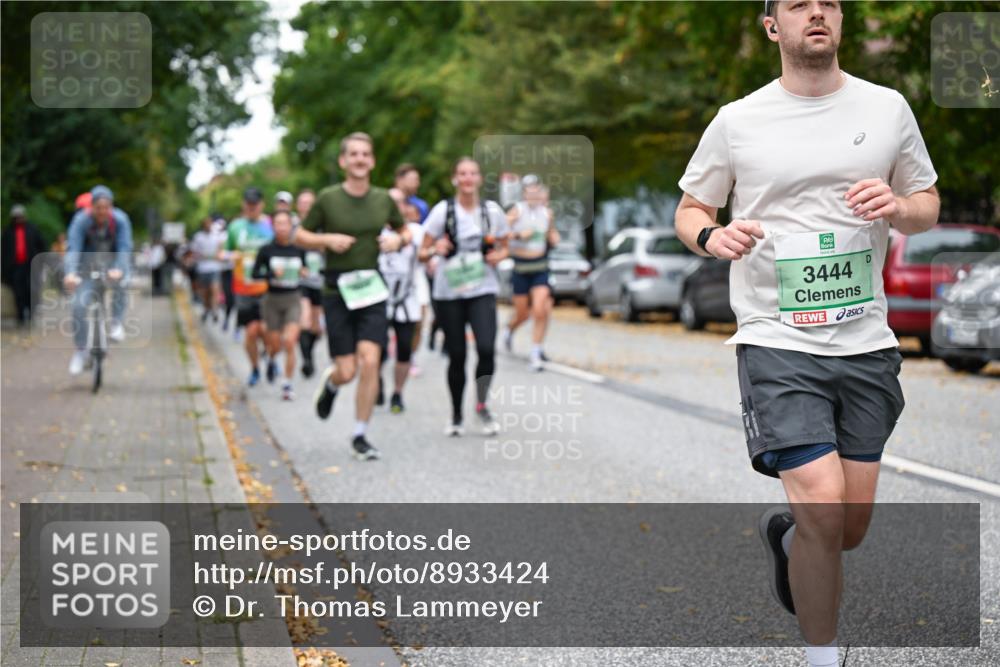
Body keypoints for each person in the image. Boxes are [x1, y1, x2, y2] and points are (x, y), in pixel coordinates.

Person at [674, 3, 939, 666]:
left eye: (829, 2)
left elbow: (927, 203)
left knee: (846, 527)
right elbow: (690, 208)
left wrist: (898, 206)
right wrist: (713, 236)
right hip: (776, 339)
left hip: (866, 342)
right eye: (798, 3)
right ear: (773, 27)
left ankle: (790, 542)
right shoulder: (739, 120)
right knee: (823, 505)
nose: (816, 11)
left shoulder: (887, 108)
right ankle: (825, 656)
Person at [292, 132, 408, 461]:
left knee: (371, 360)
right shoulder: (328, 199)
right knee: (348, 370)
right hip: (336, 290)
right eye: (353, 154)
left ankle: (360, 434)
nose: (359, 159)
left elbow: (405, 230)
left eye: (365, 154)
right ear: (343, 161)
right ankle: (332, 383)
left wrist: (398, 241)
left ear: (371, 161)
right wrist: (326, 239)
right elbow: (300, 235)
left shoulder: (383, 199)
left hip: (371, 289)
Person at [418, 157, 509, 437]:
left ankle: (481, 404)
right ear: (455, 179)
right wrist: (436, 249)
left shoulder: (491, 212)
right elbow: (422, 252)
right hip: (449, 292)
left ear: (479, 179)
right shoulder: (442, 212)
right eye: (462, 174)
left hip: (482, 288)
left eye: (473, 173)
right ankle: (456, 414)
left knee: (485, 348)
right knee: (456, 355)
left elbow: (506, 246)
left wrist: (498, 255)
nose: (468, 178)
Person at [63, 185, 134, 375]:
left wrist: (118, 269)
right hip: (86, 269)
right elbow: (73, 248)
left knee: (123, 282)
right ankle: (80, 351)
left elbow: (124, 248)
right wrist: (70, 273)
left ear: (111, 207)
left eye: (106, 207)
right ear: (91, 207)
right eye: (98, 207)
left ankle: (116, 323)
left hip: (112, 267)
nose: (102, 211)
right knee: (78, 306)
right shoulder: (81, 221)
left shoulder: (120, 220)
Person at [502, 174, 560, 371]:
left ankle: (535, 352)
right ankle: (509, 330)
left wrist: (554, 237)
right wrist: (519, 234)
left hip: (540, 267)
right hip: (520, 267)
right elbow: (499, 232)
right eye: (530, 191)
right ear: (525, 194)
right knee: (522, 314)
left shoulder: (547, 213)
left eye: (537, 191)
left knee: (540, 309)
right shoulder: (517, 211)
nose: (534, 195)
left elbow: (551, 233)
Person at [377, 188, 427, 413]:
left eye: (400, 203)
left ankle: (397, 393)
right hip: (379, 300)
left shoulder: (416, 231)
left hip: (406, 299)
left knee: (404, 348)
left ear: (406, 206)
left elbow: (420, 246)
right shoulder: (374, 230)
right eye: (390, 202)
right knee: (376, 349)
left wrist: (435, 252)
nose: (395, 207)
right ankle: (375, 380)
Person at [252, 211, 307, 400]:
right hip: (272, 301)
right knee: (275, 344)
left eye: (285, 223)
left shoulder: (299, 248)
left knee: (290, 341)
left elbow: (307, 269)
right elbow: (255, 274)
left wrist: (304, 271)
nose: (282, 227)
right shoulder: (266, 250)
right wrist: (271, 274)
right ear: (273, 226)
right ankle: (271, 357)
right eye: (278, 223)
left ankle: (287, 384)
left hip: (293, 298)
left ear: (291, 226)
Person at [222, 187, 274, 386]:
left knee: (266, 330)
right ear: (244, 204)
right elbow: (223, 253)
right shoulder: (235, 227)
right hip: (243, 287)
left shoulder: (270, 225)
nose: (251, 207)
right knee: (251, 331)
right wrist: (231, 256)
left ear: (262, 204)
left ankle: (270, 357)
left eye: (255, 204)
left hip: (267, 287)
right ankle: (254, 368)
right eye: (248, 204)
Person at [295, 189, 324, 378]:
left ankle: (309, 352)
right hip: (301, 281)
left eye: (309, 202)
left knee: (316, 328)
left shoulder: (323, 226)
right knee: (304, 320)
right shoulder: (292, 226)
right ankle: (306, 361)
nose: (306, 206)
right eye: (302, 202)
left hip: (320, 281)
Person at [1, 205, 46, 326]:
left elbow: (41, 245)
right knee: (18, 292)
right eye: (16, 217)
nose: (19, 219)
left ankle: (31, 314)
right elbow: (4, 252)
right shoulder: (8, 232)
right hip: (15, 267)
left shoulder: (32, 229)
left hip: (30, 265)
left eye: (21, 217)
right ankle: (21, 316)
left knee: (31, 289)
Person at [190, 216, 227, 322]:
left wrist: (217, 256)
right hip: (203, 269)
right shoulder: (198, 237)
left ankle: (215, 310)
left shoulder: (217, 236)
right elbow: (194, 252)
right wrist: (204, 256)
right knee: (206, 292)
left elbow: (220, 250)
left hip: (214, 268)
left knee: (215, 289)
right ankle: (206, 309)